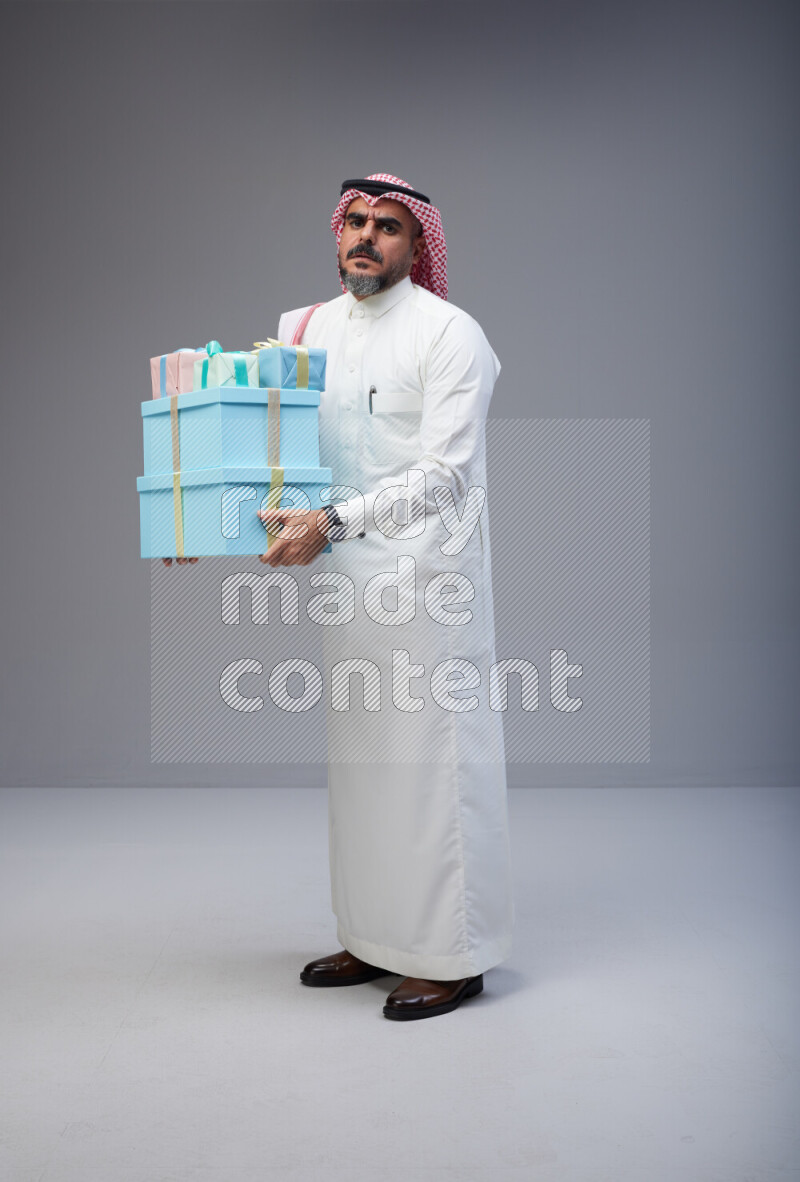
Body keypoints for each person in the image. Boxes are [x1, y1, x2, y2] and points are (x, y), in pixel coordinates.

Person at [167, 173, 514, 1021]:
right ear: (337, 231)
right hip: (344, 581)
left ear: (417, 243)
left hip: (427, 585)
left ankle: (451, 956)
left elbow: (445, 477)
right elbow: (263, 442)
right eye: (355, 221)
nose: (367, 236)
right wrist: (194, 518)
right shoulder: (304, 329)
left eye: (388, 226)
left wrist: (332, 521)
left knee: (431, 772)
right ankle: (374, 937)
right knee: (364, 771)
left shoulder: (449, 334)